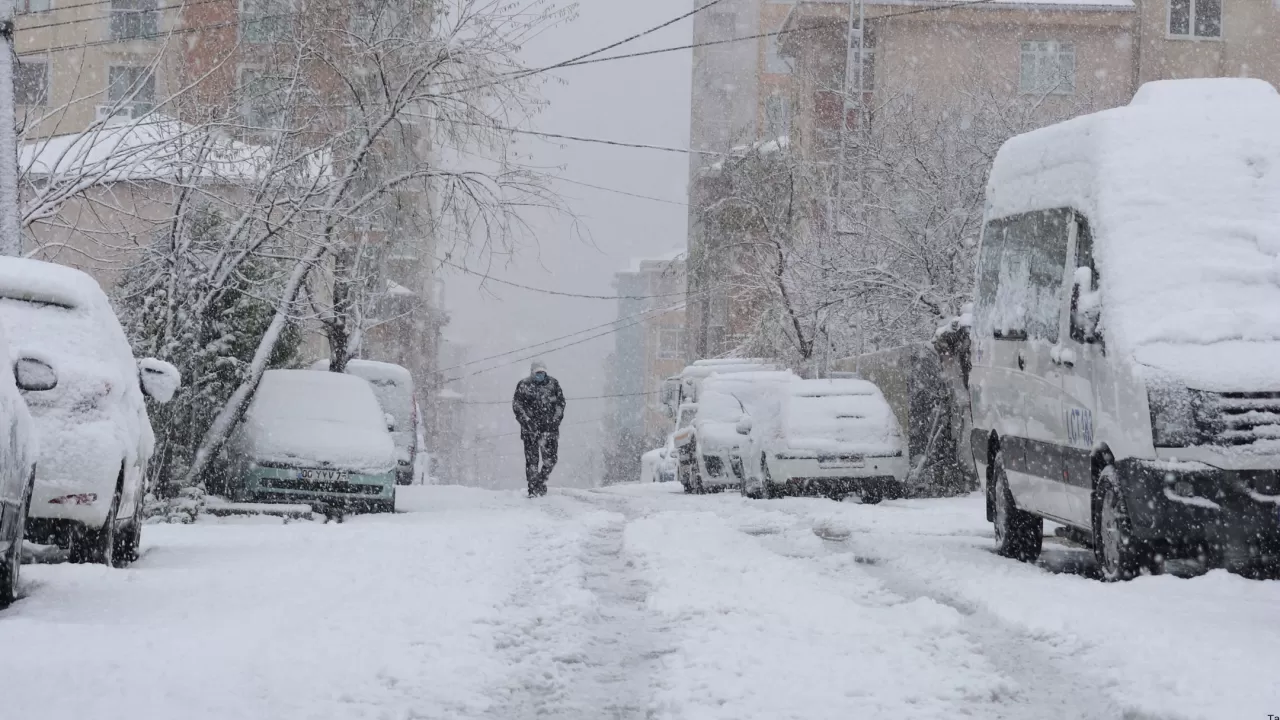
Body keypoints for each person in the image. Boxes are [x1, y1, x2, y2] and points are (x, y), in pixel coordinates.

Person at [512, 360, 566, 497]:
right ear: (532, 373)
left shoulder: (553, 384)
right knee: (532, 462)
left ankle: (540, 481)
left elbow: (560, 404)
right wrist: (527, 422)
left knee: (551, 459)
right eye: (537, 373)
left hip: (549, 430)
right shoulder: (524, 385)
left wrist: (555, 421)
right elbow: (517, 406)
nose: (540, 375)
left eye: (542, 373)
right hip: (530, 431)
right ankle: (532, 489)